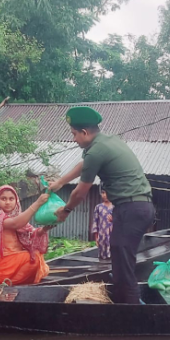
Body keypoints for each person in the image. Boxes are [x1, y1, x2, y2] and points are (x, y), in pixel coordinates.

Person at [49, 106, 155, 304]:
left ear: (85, 132)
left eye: (74, 134)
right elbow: (84, 165)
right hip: (137, 208)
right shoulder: (107, 141)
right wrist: (61, 182)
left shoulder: (96, 151)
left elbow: (80, 192)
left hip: (131, 208)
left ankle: (131, 313)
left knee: (122, 264)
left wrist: (66, 210)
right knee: (120, 257)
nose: (74, 139)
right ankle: (126, 300)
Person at [0, 185, 54, 286]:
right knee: (34, 257)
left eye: (11, 199)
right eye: (3, 199)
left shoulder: (18, 217)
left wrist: (44, 229)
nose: (7, 202)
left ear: (16, 200)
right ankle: (5, 282)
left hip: (13, 264)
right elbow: (15, 224)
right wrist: (37, 203)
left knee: (35, 257)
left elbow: (31, 234)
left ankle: (13, 283)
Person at [92, 188, 114, 262]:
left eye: (106, 193)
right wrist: (96, 236)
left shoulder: (115, 207)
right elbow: (95, 222)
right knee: (102, 256)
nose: (105, 195)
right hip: (102, 236)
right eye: (103, 193)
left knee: (113, 255)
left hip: (113, 235)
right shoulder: (98, 207)